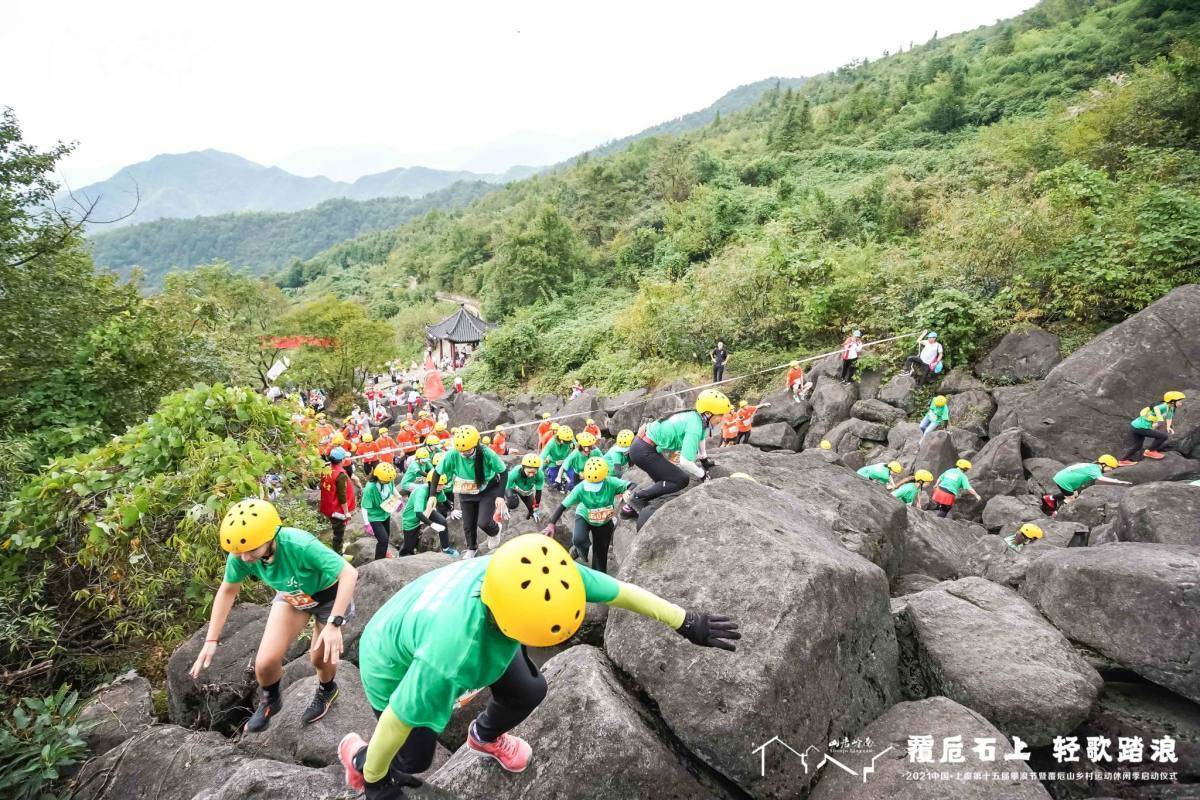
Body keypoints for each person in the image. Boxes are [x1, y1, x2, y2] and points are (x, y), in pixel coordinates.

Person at [337, 533, 740, 796]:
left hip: (457, 614)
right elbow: (397, 717)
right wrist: (375, 781)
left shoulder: (537, 571)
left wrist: (686, 621)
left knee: (529, 690)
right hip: (390, 662)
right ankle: (358, 756)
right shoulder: (451, 654)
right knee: (413, 758)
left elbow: (621, 592)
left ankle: (484, 736)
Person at [190, 499, 357, 732]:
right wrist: (210, 640)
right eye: (240, 552)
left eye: (251, 551)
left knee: (318, 658)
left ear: (271, 537)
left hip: (329, 598)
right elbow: (227, 591)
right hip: (292, 596)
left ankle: (328, 689)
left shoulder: (299, 545)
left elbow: (348, 573)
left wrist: (334, 623)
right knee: (265, 663)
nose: (246, 558)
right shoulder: (241, 554)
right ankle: (270, 700)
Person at [621, 389, 731, 517]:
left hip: (644, 446)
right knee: (680, 479)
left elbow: (701, 438)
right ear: (708, 413)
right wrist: (703, 476)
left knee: (666, 482)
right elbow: (685, 461)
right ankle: (636, 499)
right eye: (720, 415)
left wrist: (704, 459)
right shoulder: (695, 425)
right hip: (643, 450)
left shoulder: (697, 418)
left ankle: (628, 508)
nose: (722, 418)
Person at [435, 425, 509, 559]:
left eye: (467, 450)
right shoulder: (454, 454)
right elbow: (437, 473)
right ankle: (471, 548)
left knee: (484, 522)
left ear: (476, 444)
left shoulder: (487, 453)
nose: (463, 454)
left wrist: (500, 496)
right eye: (461, 451)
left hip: (487, 489)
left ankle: (495, 530)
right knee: (468, 523)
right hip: (465, 490)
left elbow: (503, 472)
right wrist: (431, 495)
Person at [543, 457, 628, 573]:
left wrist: (628, 491)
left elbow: (630, 485)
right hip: (585, 515)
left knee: (600, 556)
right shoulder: (580, 488)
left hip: (604, 521)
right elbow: (563, 506)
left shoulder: (611, 482)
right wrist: (551, 524)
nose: (593, 489)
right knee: (579, 539)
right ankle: (580, 551)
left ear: (604, 477)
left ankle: (599, 579)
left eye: (596, 485)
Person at [1042, 455, 1131, 515]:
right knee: (1070, 499)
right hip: (1064, 481)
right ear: (1103, 464)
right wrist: (1117, 481)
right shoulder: (1095, 469)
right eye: (1110, 468)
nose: (1110, 470)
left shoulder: (1091, 465)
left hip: (1061, 477)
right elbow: (1100, 478)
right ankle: (1056, 514)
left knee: (1075, 493)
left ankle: (1050, 498)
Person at [399, 473, 458, 557]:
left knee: (442, 521)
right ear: (431, 483)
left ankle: (446, 548)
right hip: (412, 518)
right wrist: (432, 524)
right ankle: (402, 555)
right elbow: (418, 513)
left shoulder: (438, 491)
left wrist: (452, 510)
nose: (440, 487)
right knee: (408, 547)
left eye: (442, 485)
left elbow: (444, 500)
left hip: (427, 511)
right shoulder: (421, 491)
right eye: (438, 485)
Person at [1119, 391, 1185, 464]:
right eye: (1180, 402)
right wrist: (1160, 420)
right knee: (1163, 436)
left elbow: (1169, 417)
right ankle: (1150, 451)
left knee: (1137, 446)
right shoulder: (1164, 406)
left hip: (1136, 425)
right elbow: (1156, 408)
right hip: (1140, 427)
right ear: (1172, 402)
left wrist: (1168, 427)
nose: (1181, 403)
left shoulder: (1171, 408)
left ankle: (1123, 460)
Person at [319, 447, 357, 554]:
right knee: (339, 533)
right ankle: (338, 554)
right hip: (337, 510)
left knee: (337, 530)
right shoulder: (340, 475)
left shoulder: (326, 470)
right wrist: (346, 512)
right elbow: (342, 496)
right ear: (342, 460)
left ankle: (338, 551)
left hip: (328, 506)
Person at [362, 463, 400, 561]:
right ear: (377, 476)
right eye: (385, 481)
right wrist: (367, 523)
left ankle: (384, 552)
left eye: (389, 481)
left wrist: (398, 498)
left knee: (386, 536)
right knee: (383, 539)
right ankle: (379, 560)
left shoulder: (388, 480)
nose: (388, 482)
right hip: (374, 516)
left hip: (386, 513)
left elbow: (393, 488)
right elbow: (364, 506)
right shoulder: (370, 488)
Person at [505, 454, 545, 521]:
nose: (531, 475)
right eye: (529, 472)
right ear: (523, 468)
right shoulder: (515, 472)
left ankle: (528, 520)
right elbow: (506, 486)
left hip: (526, 491)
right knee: (513, 503)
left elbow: (538, 491)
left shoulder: (540, 475)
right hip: (513, 487)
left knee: (532, 511)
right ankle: (506, 504)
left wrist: (536, 507)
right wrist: (502, 503)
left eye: (534, 472)